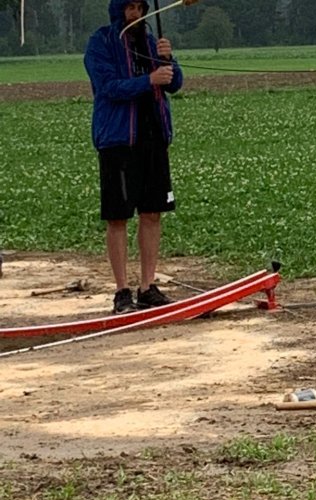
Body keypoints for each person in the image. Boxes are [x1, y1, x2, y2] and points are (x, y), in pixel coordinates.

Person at [84, 0, 183, 314]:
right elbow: (108, 87)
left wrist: (169, 61)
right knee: (117, 217)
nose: (136, 14)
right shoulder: (100, 43)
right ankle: (122, 291)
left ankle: (147, 286)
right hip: (118, 141)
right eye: (129, 7)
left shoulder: (152, 43)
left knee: (152, 213)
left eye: (141, 7)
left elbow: (174, 83)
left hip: (153, 139)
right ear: (117, 10)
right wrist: (147, 80)